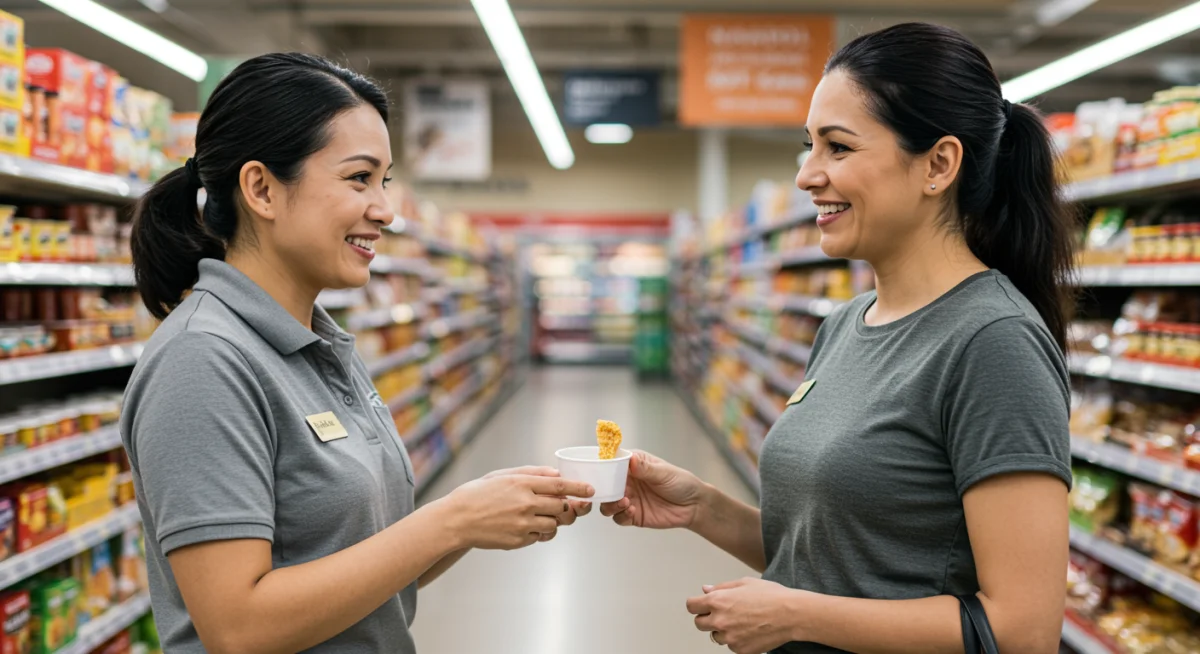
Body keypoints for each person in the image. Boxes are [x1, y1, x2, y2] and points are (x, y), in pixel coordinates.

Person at [602, 22, 1074, 654]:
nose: (807, 175)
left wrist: (798, 619)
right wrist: (703, 509)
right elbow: (845, 558)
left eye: (839, 148)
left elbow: (1023, 630)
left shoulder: (993, 341)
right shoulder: (845, 325)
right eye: (810, 147)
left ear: (938, 164)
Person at [120, 53, 594, 654]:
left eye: (384, 182)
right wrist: (448, 521)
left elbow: (365, 569)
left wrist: (470, 516)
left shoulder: (320, 344)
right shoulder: (203, 361)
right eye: (358, 178)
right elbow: (238, 627)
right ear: (261, 189)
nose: (385, 211)